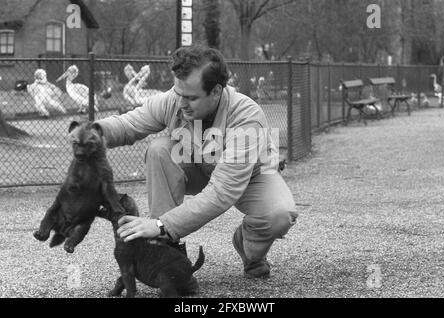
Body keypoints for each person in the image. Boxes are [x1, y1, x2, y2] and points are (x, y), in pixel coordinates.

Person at [95, 45, 298, 279]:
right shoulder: (175, 99)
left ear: (216, 92)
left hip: (251, 176)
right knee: (159, 150)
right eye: (178, 93)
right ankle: (165, 250)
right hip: (201, 166)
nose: (181, 103)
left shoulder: (246, 117)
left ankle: (248, 248)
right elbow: (129, 124)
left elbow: (223, 190)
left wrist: (161, 224)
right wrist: (94, 133)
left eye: (191, 97)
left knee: (279, 216)